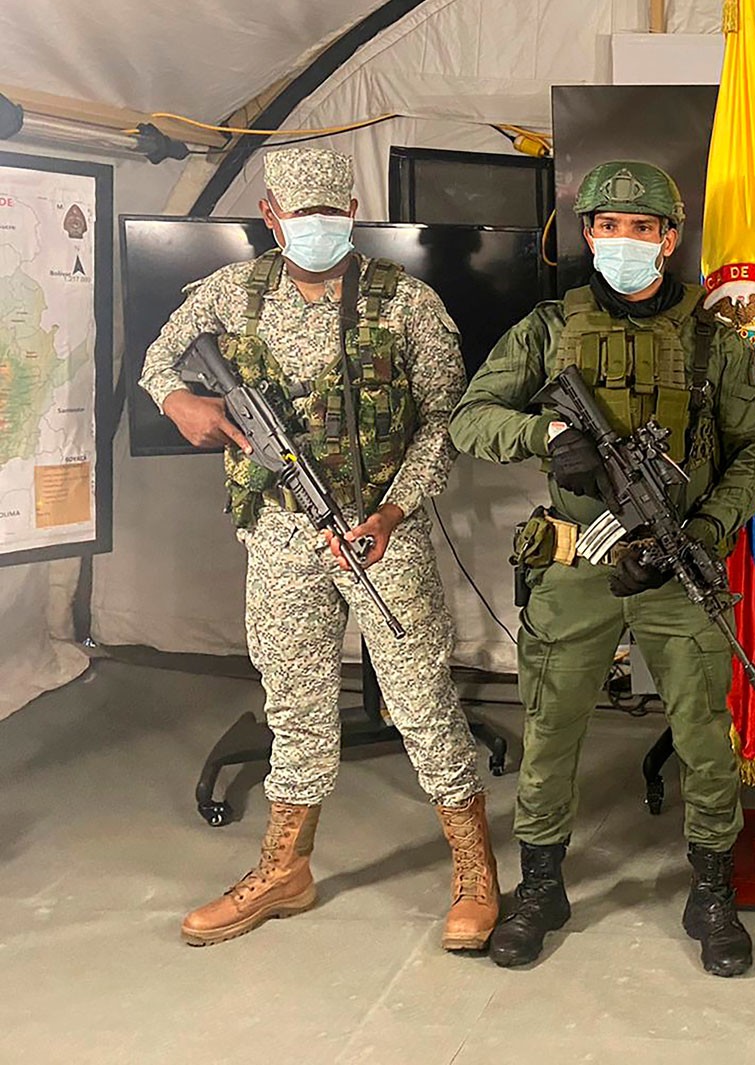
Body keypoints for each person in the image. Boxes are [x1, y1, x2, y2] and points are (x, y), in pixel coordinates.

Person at [140, 147, 496, 951]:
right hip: (279, 533)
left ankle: (475, 871)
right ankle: (285, 869)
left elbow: (447, 421)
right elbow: (160, 359)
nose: (318, 229)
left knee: (422, 701)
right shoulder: (235, 291)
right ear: (272, 216)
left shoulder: (407, 303)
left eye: (332, 215)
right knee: (295, 704)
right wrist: (177, 402)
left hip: (382, 533)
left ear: (353, 214)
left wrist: (395, 510)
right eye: (303, 216)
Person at [448, 161, 755, 977]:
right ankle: (542, 885)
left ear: (670, 237)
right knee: (552, 728)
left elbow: (754, 454)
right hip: (576, 563)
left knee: (704, 734)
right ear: (587, 234)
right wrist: (547, 437)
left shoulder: (715, 340)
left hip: (679, 561)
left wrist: (704, 530)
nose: (623, 241)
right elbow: (470, 419)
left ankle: (712, 887)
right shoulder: (546, 330)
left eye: (642, 227)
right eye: (608, 226)